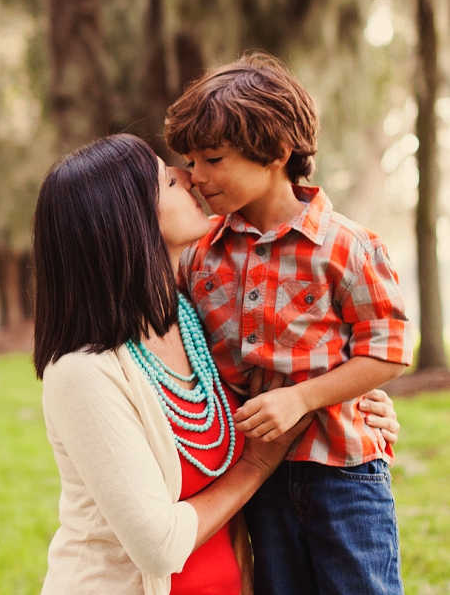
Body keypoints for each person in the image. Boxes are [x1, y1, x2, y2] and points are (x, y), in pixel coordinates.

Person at [33, 133, 400, 595]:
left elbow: (285, 366)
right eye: (167, 180)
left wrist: (351, 400)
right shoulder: (83, 373)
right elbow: (158, 547)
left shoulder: (197, 319)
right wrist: (257, 465)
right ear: (127, 222)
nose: (189, 176)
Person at [165, 52, 411, 595]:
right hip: (261, 479)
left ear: (276, 152)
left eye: (212, 159)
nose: (195, 177)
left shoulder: (346, 246)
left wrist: (303, 398)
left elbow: (390, 350)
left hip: (344, 473)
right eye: (190, 161)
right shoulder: (201, 257)